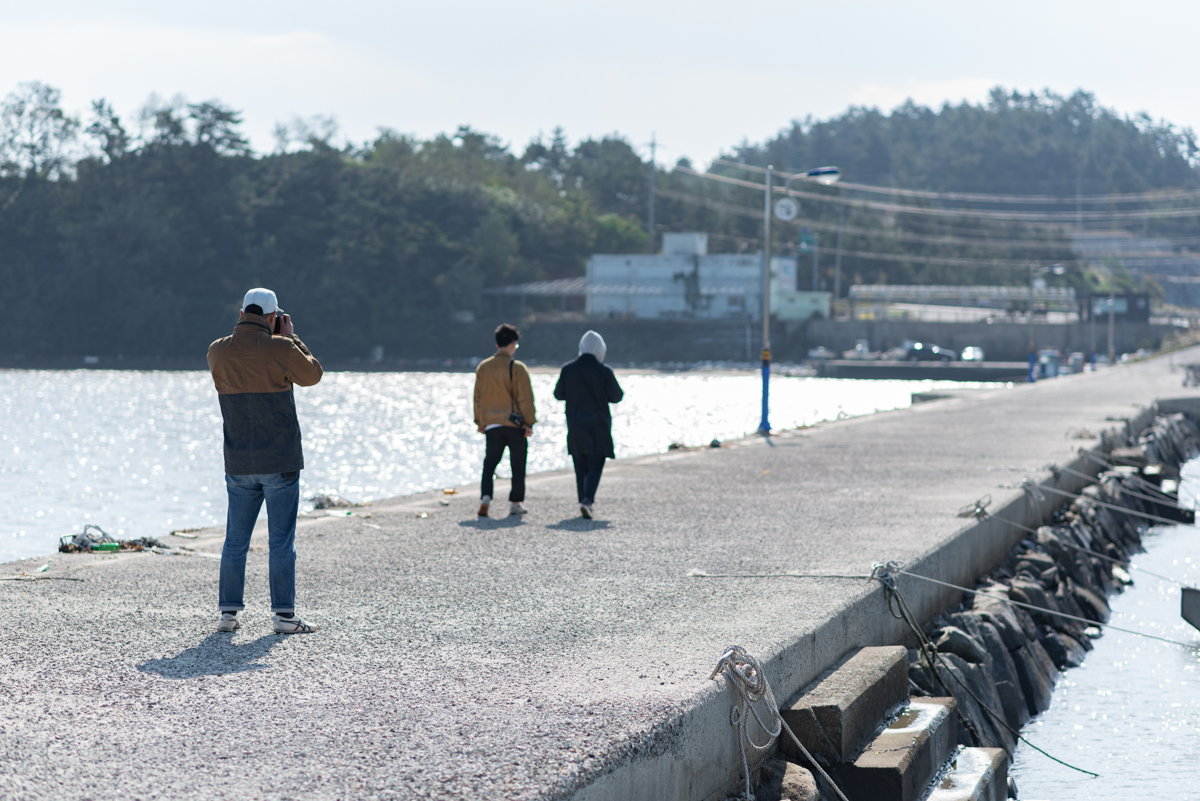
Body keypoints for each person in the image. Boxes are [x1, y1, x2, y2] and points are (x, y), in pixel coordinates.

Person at [207, 288, 323, 634]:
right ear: (273, 317)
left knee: (235, 540)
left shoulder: (217, 351)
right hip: (280, 458)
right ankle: (284, 616)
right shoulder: (282, 347)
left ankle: (228, 614)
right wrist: (292, 338)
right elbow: (313, 375)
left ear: (242, 312)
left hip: (239, 460)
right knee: (281, 541)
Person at [554, 330, 623, 519]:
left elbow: (558, 394)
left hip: (575, 422)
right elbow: (617, 396)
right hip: (598, 423)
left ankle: (583, 499)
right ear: (601, 349)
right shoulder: (604, 371)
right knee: (597, 461)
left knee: (580, 463)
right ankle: (587, 500)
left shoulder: (568, 369)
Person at [473, 324, 537, 517]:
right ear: (512, 343)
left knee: (490, 463)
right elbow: (525, 398)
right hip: (514, 425)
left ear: (496, 343)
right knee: (517, 464)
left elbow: (478, 397)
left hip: (492, 424)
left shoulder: (483, 367)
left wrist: (480, 421)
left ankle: (486, 497)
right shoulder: (517, 368)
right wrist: (529, 422)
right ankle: (515, 503)